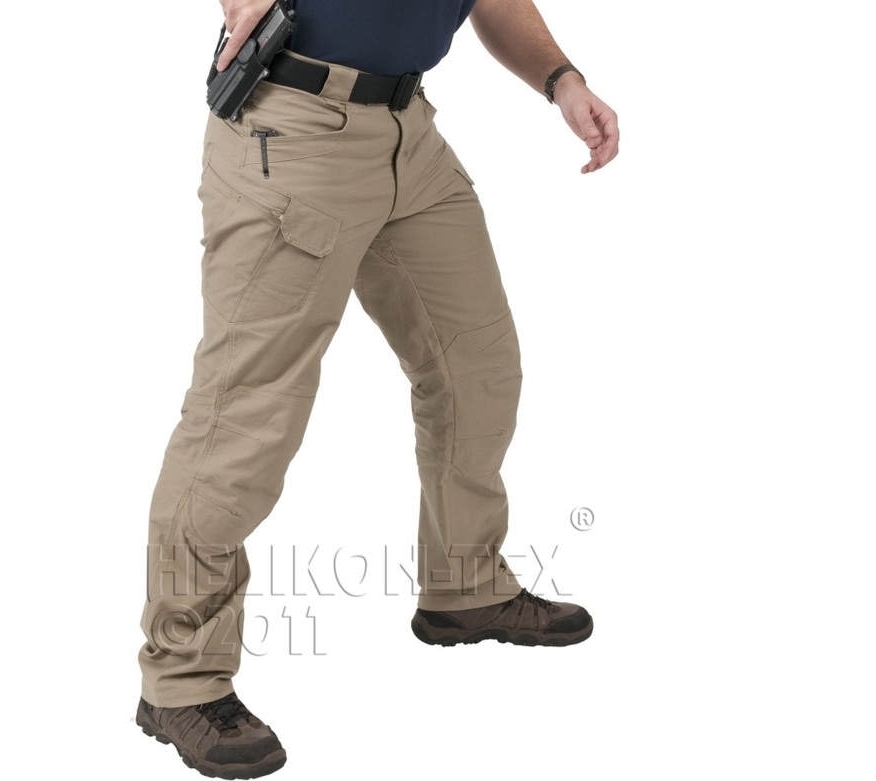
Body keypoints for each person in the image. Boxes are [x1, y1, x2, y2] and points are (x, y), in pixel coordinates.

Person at [135, 0, 619, 777]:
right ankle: (181, 679)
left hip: (407, 132)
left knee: (477, 367)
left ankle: (465, 584)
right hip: (293, 126)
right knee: (244, 416)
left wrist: (561, 79)